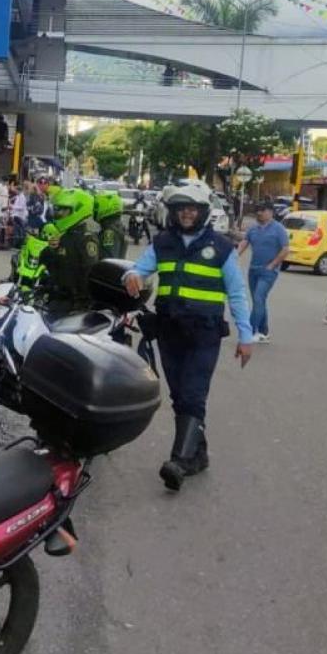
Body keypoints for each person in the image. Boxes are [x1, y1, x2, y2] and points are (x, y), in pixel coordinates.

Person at [123, 180, 253, 493]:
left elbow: (236, 293)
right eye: (182, 208)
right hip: (169, 332)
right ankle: (199, 454)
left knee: (194, 394)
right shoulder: (163, 243)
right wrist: (133, 277)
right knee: (180, 396)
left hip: (204, 334)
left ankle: (179, 462)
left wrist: (245, 335)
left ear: (203, 212)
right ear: (174, 211)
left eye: (193, 208)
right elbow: (139, 269)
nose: (187, 213)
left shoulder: (221, 248)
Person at [42, 188, 101, 319]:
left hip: (75, 305)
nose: (59, 213)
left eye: (63, 209)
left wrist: (83, 304)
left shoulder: (86, 239)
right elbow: (50, 264)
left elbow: (89, 274)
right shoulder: (64, 235)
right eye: (57, 209)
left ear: (78, 210)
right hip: (57, 299)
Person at [237, 201, 289, 343]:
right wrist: (234, 258)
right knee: (258, 301)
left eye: (263, 210)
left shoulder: (278, 229)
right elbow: (244, 243)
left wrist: (272, 265)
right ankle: (263, 332)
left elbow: (285, 249)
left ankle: (251, 331)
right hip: (253, 270)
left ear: (271, 212)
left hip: (268, 272)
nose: (259, 213)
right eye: (258, 210)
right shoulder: (253, 229)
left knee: (259, 298)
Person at [94, 190, 127, 260]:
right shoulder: (116, 225)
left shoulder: (109, 232)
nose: (94, 210)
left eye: (96, 206)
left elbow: (107, 258)